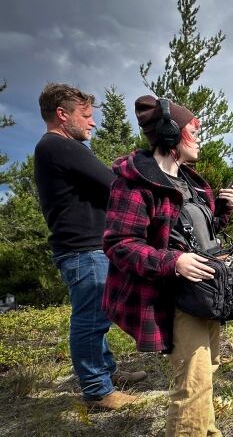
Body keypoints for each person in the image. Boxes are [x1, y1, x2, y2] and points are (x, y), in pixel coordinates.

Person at [102, 95, 233, 435]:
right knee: (191, 381)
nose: (201, 137)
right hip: (174, 296)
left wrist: (221, 210)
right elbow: (119, 243)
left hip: (205, 292)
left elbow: (197, 235)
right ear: (171, 133)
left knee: (206, 368)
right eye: (195, 129)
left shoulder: (191, 182)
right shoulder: (136, 181)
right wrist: (173, 261)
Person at [33, 83, 146, 410]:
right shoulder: (59, 146)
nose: (92, 122)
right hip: (83, 250)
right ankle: (97, 390)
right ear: (62, 114)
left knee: (99, 315)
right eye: (86, 115)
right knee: (91, 319)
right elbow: (114, 184)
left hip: (87, 249)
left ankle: (106, 372)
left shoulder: (57, 149)